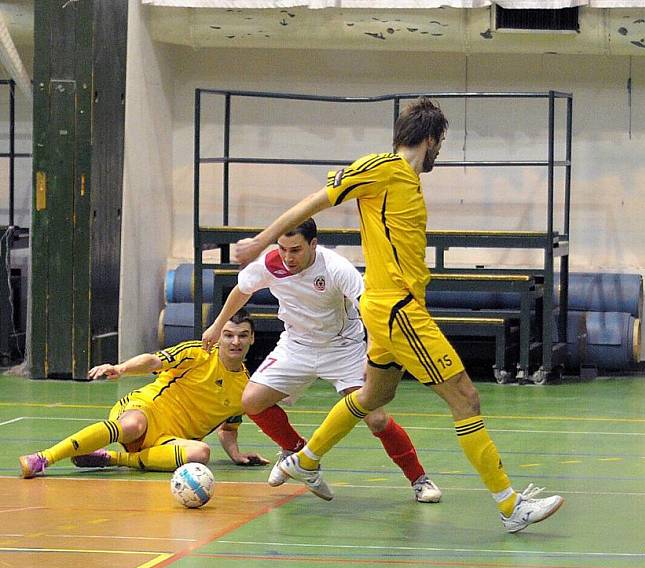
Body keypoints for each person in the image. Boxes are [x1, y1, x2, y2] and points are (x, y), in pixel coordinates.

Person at [233, 96, 563, 533]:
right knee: (466, 398)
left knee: (373, 398)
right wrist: (260, 241)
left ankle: (306, 460)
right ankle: (510, 505)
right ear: (431, 139)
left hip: (388, 309)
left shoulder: (405, 181)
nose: (439, 152)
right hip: (398, 310)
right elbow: (315, 201)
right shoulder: (382, 168)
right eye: (440, 143)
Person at [202, 218, 442, 503]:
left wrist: (372, 355)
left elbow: (369, 310)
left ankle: (420, 480)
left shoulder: (335, 268)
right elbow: (242, 289)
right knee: (252, 400)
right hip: (296, 347)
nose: (288, 257)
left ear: (313, 245)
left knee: (376, 418)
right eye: (282, 249)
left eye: (296, 250)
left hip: (343, 348)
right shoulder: (270, 264)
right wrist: (217, 327)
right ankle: (299, 454)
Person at [18, 309, 267, 478]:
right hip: (146, 409)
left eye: (243, 336)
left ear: (252, 339)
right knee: (134, 425)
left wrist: (236, 455)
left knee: (200, 453)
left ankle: (114, 459)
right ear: (218, 336)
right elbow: (153, 361)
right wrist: (121, 368)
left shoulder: (246, 389)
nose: (235, 342)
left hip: (168, 441)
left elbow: (228, 429)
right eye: (229, 335)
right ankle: (43, 458)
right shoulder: (197, 353)